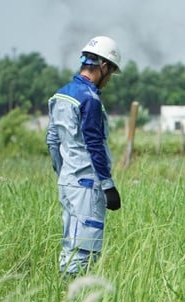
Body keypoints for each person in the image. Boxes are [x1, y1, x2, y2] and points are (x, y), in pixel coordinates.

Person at [46, 35, 123, 276]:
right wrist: (108, 186)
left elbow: (52, 141)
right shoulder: (90, 99)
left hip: (67, 183)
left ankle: (62, 300)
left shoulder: (60, 95)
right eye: (110, 74)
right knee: (85, 251)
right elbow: (94, 145)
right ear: (103, 66)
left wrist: (65, 172)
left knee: (70, 245)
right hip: (88, 186)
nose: (109, 80)